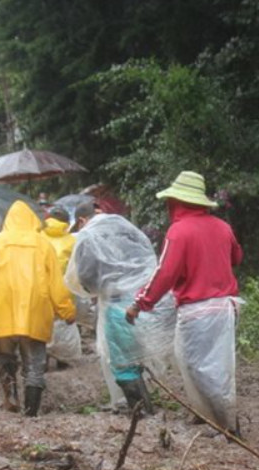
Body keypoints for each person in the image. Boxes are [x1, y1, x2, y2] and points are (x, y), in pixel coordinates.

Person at [126, 171, 243, 433]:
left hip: (198, 311)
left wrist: (140, 303)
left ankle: (225, 422)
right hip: (226, 307)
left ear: (177, 202)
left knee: (200, 367)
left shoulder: (179, 231)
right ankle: (212, 415)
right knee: (216, 364)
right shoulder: (223, 227)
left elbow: (165, 273)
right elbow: (236, 257)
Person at [0, 201, 76, 417]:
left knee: (4, 357)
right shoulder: (44, 245)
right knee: (35, 364)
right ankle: (31, 412)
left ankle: (11, 397)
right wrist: (67, 311)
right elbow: (55, 284)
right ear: (32, 221)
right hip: (35, 311)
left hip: (1, 312)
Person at [66, 213, 175, 418]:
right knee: (135, 359)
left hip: (118, 309)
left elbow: (87, 279)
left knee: (123, 363)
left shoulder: (90, 239)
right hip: (142, 304)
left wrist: (94, 290)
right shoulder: (131, 236)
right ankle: (143, 408)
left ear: (83, 221)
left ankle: (141, 412)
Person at [43, 207, 81, 369]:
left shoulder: (37, 238)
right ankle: (63, 360)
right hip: (65, 291)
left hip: (41, 292)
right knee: (65, 326)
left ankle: (42, 361)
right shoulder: (72, 241)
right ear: (66, 223)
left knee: (42, 325)